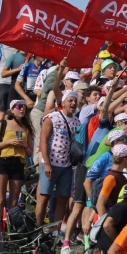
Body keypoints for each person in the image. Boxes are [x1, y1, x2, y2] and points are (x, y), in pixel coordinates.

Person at [37, 86, 80, 227]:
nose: (73, 103)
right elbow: (43, 140)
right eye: (71, 100)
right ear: (64, 102)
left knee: (63, 198)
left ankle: (55, 229)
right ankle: (38, 226)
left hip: (67, 166)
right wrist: (47, 164)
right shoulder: (51, 117)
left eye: (75, 101)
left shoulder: (77, 122)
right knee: (44, 197)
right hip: (51, 163)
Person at [0, 100, 34, 218]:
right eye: (19, 107)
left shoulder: (26, 128)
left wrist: (24, 145)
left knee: (14, 201)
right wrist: (9, 142)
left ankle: (11, 229)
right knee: (0, 198)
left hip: (18, 162)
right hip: (3, 160)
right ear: (12, 109)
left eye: (24, 107)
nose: (22, 109)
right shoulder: (4, 123)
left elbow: (30, 153)